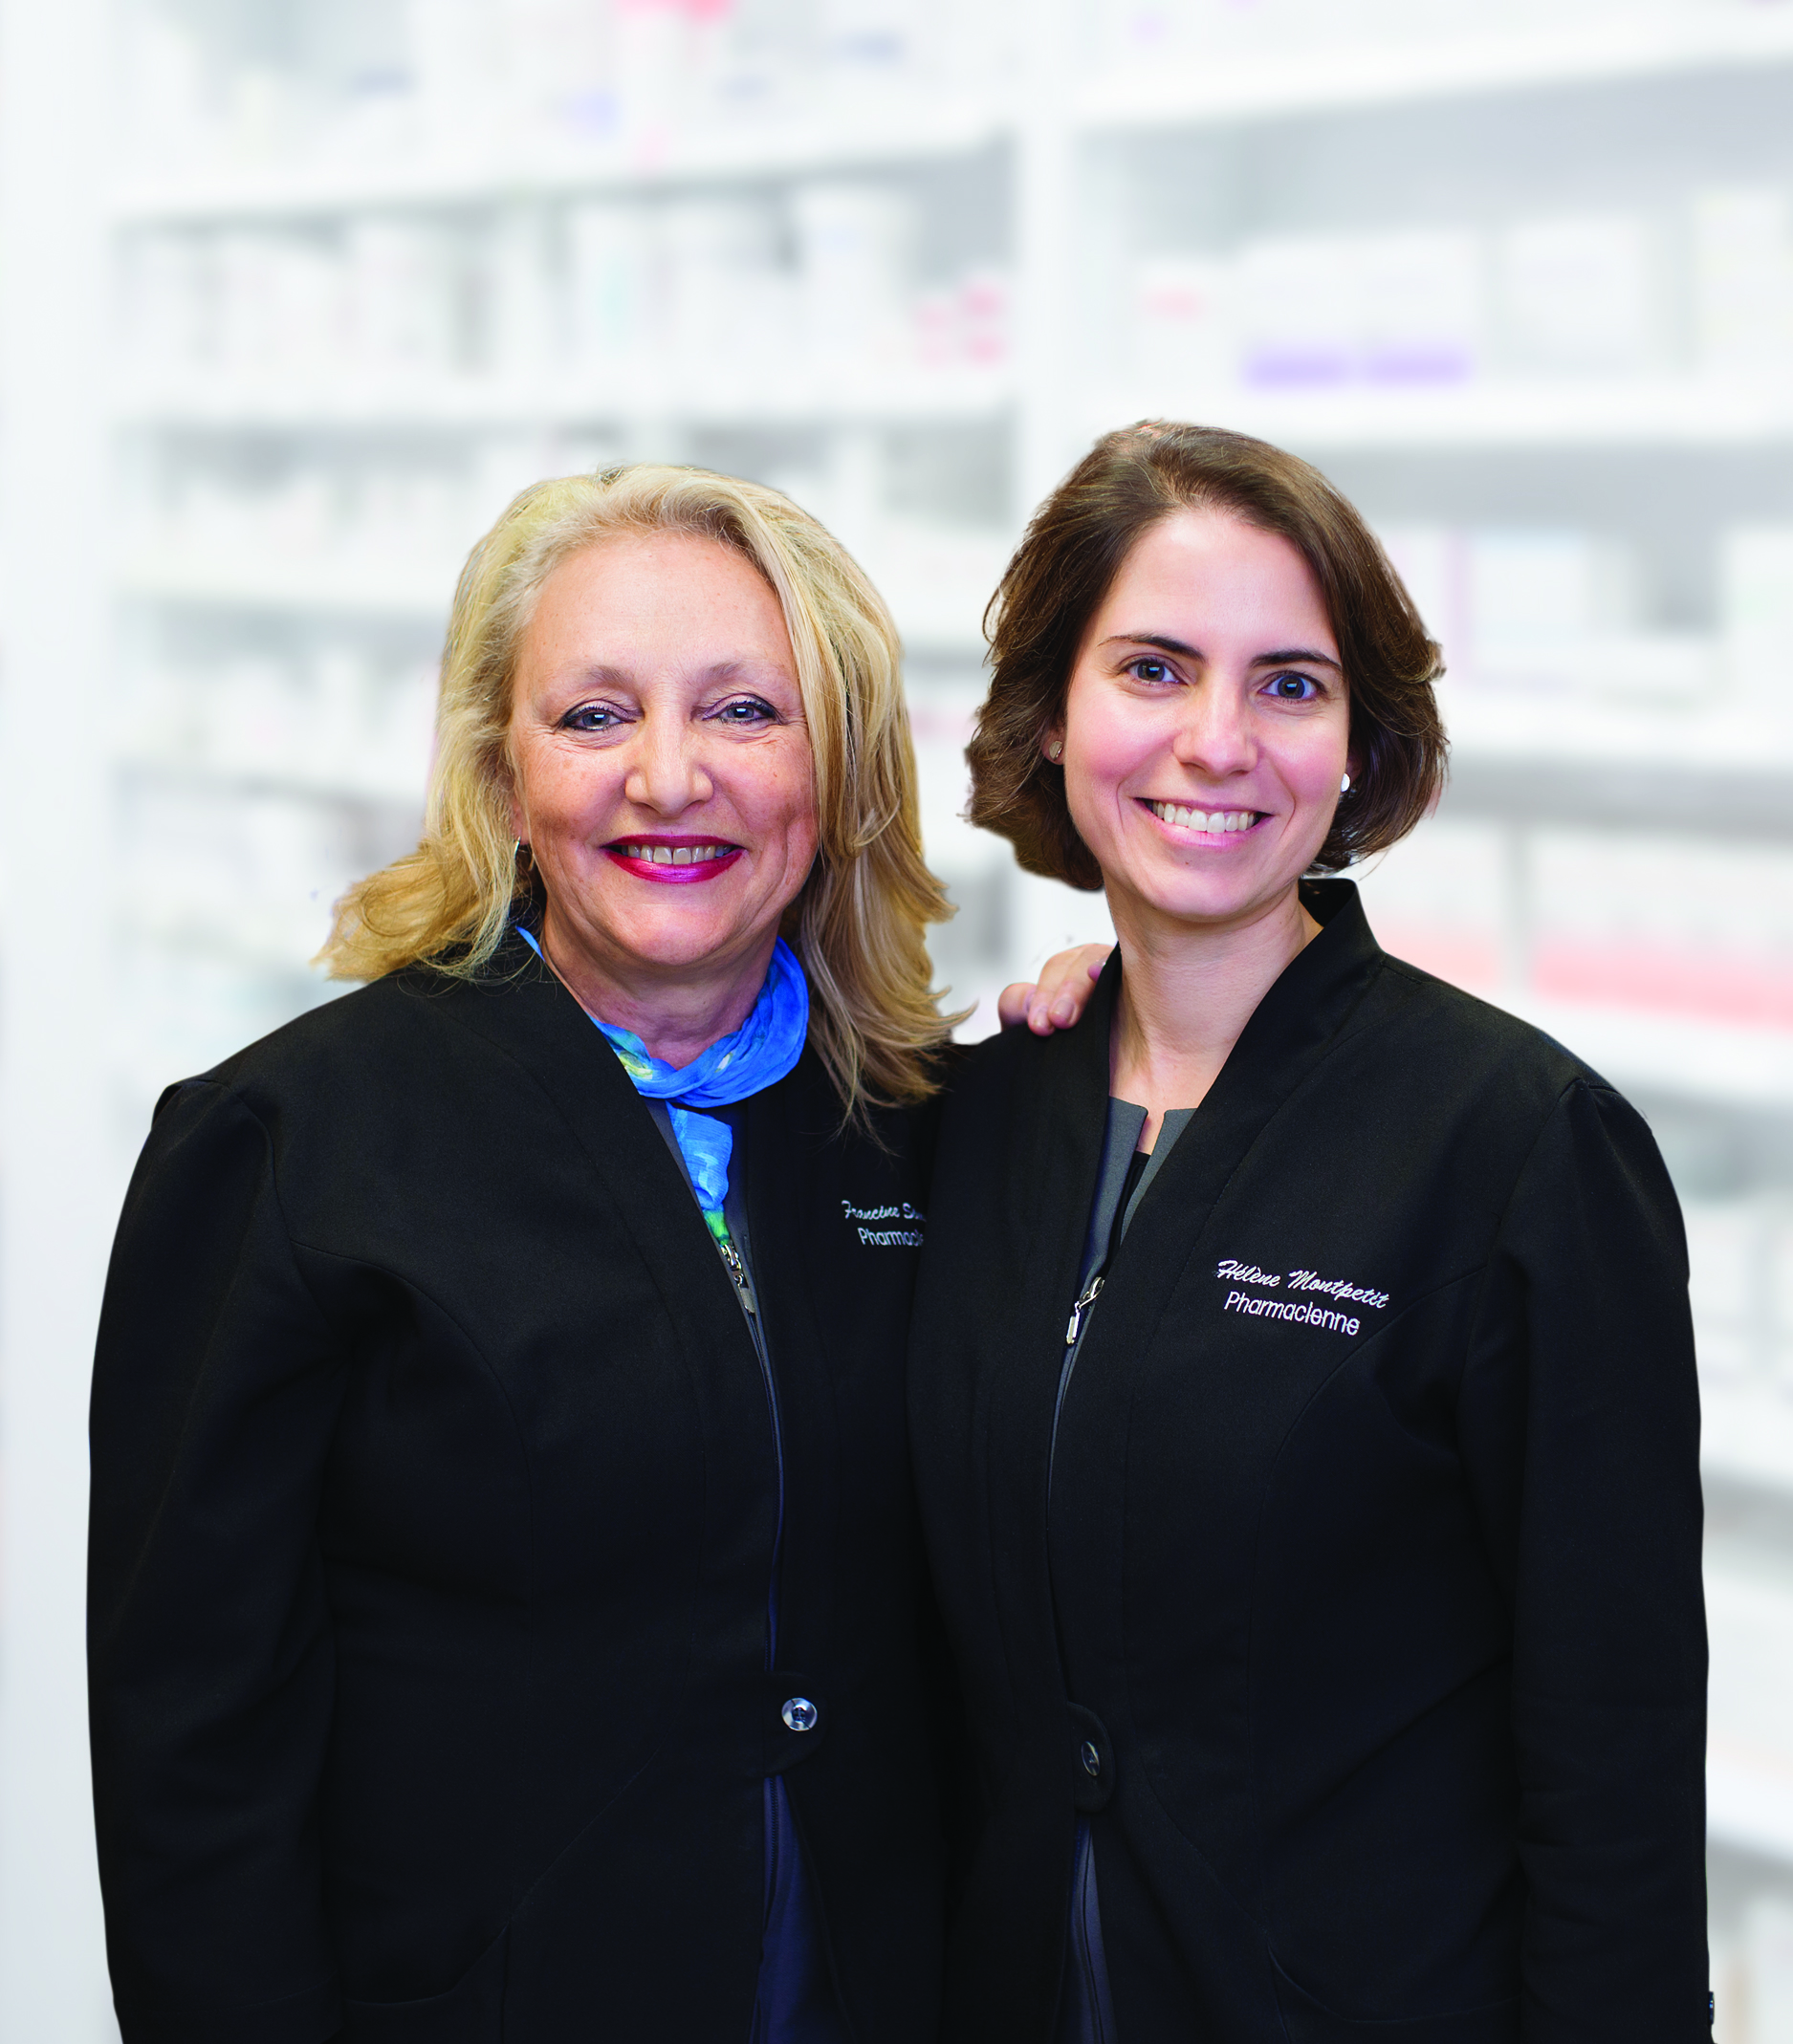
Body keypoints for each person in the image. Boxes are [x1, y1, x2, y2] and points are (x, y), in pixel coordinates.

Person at [88, 463, 1104, 2044]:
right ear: (503, 780)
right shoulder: (292, 1148)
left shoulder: (935, 1132)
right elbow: (193, 1753)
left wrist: (1134, 1026)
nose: (666, 776)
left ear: (838, 772)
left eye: (744, 710)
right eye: (593, 715)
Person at [908, 423, 1710, 2043]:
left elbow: (1611, 1761)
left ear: (1356, 742)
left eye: (1288, 683)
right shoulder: (965, 1124)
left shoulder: (1517, 1149)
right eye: (1151, 668)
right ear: (1052, 712)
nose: (1216, 741)